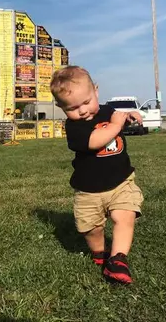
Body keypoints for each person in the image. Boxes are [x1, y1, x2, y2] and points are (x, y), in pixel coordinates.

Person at [50, 66, 144, 285]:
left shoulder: (107, 111)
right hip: (88, 190)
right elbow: (94, 141)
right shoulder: (73, 127)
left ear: (96, 91)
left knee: (125, 215)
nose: (82, 111)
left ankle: (118, 260)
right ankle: (100, 253)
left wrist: (130, 115)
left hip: (121, 181)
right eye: (73, 107)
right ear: (61, 108)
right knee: (92, 229)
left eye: (86, 102)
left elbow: (119, 116)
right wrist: (115, 126)